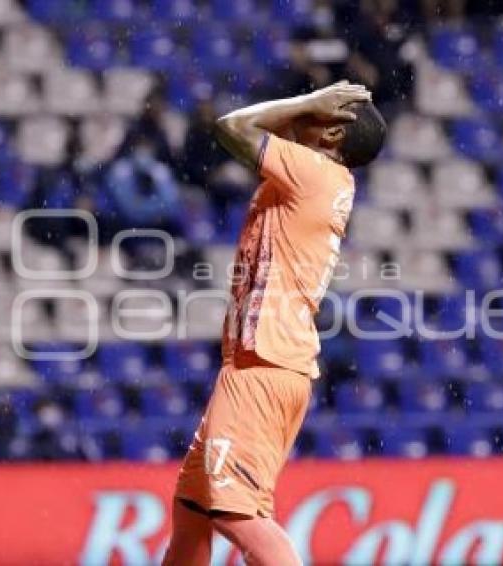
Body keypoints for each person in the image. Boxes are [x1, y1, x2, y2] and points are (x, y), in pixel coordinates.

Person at [162, 82, 386, 566]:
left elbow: (231, 126)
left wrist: (310, 100)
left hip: (262, 364)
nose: (309, 109)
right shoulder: (320, 178)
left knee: (234, 511)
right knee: (194, 507)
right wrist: (310, 110)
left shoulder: (313, 172)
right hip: (269, 363)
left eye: (325, 111)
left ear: (333, 133)